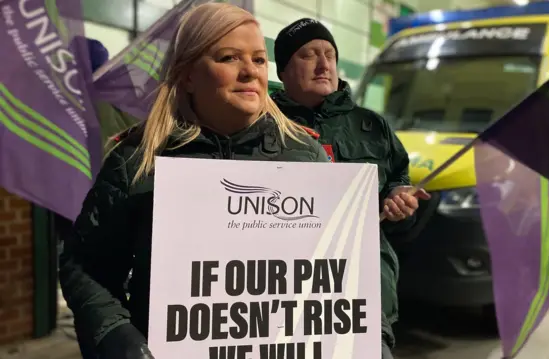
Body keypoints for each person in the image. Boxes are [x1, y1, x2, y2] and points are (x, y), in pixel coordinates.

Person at [58, 4, 328, 359]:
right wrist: (115, 335)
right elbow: (87, 267)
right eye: (230, 57)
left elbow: (341, 264)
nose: (250, 72)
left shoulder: (307, 155)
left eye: (260, 60)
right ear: (187, 74)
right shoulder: (137, 161)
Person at [271, 18, 430, 358]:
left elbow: (398, 186)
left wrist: (400, 203)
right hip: (284, 294)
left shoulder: (371, 126)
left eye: (329, 53)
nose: (324, 64)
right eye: (309, 54)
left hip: (364, 289)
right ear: (283, 69)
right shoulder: (263, 125)